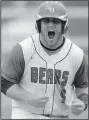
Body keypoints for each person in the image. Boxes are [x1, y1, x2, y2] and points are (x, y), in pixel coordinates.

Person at [1, 1, 88, 119]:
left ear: (65, 27)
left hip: (60, 116)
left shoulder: (77, 55)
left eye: (56, 21)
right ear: (37, 26)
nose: (50, 25)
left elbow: (82, 86)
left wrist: (82, 103)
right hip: (26, 113)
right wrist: (28, 97)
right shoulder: (22, 50)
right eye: (46, 21)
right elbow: (5, 83)